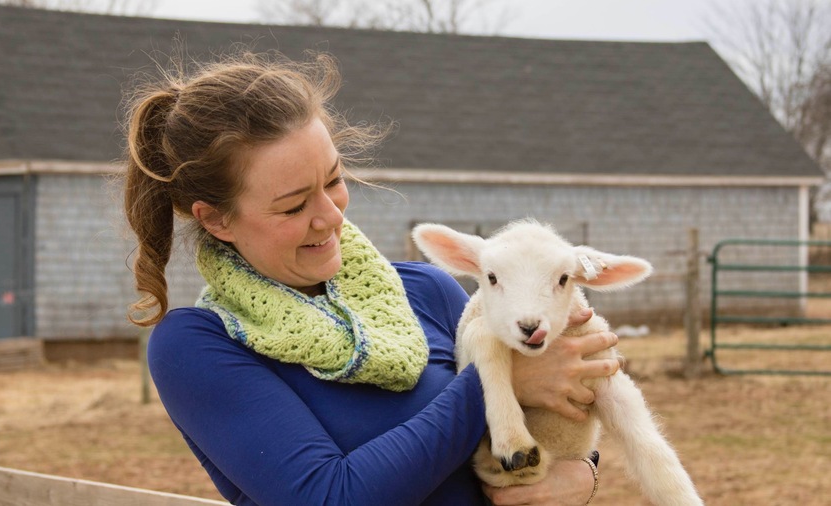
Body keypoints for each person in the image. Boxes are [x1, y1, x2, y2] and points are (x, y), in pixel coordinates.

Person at [123, 50, 621, 506]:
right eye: (294, 205)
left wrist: (582, 472)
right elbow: (330, 497)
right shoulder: (198, 345)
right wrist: (498, 379)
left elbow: (544, 430)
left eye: (334, 181)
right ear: (216, 219)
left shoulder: (429, 291)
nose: (331, 217)